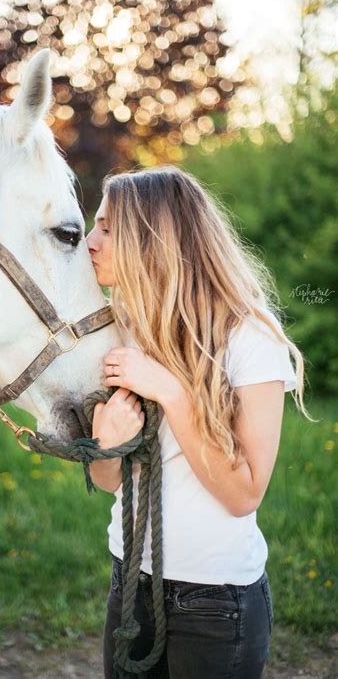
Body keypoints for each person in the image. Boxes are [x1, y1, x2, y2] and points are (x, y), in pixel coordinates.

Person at [85, 165, 312, 679]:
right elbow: (106, 481)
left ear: (153, 238)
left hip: (215, 602)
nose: (90, 240)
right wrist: (105, 444)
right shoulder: (122, 329)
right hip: (129, 582)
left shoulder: (249, 336)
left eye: (106, 227)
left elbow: (243, 494)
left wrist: (167, 389)